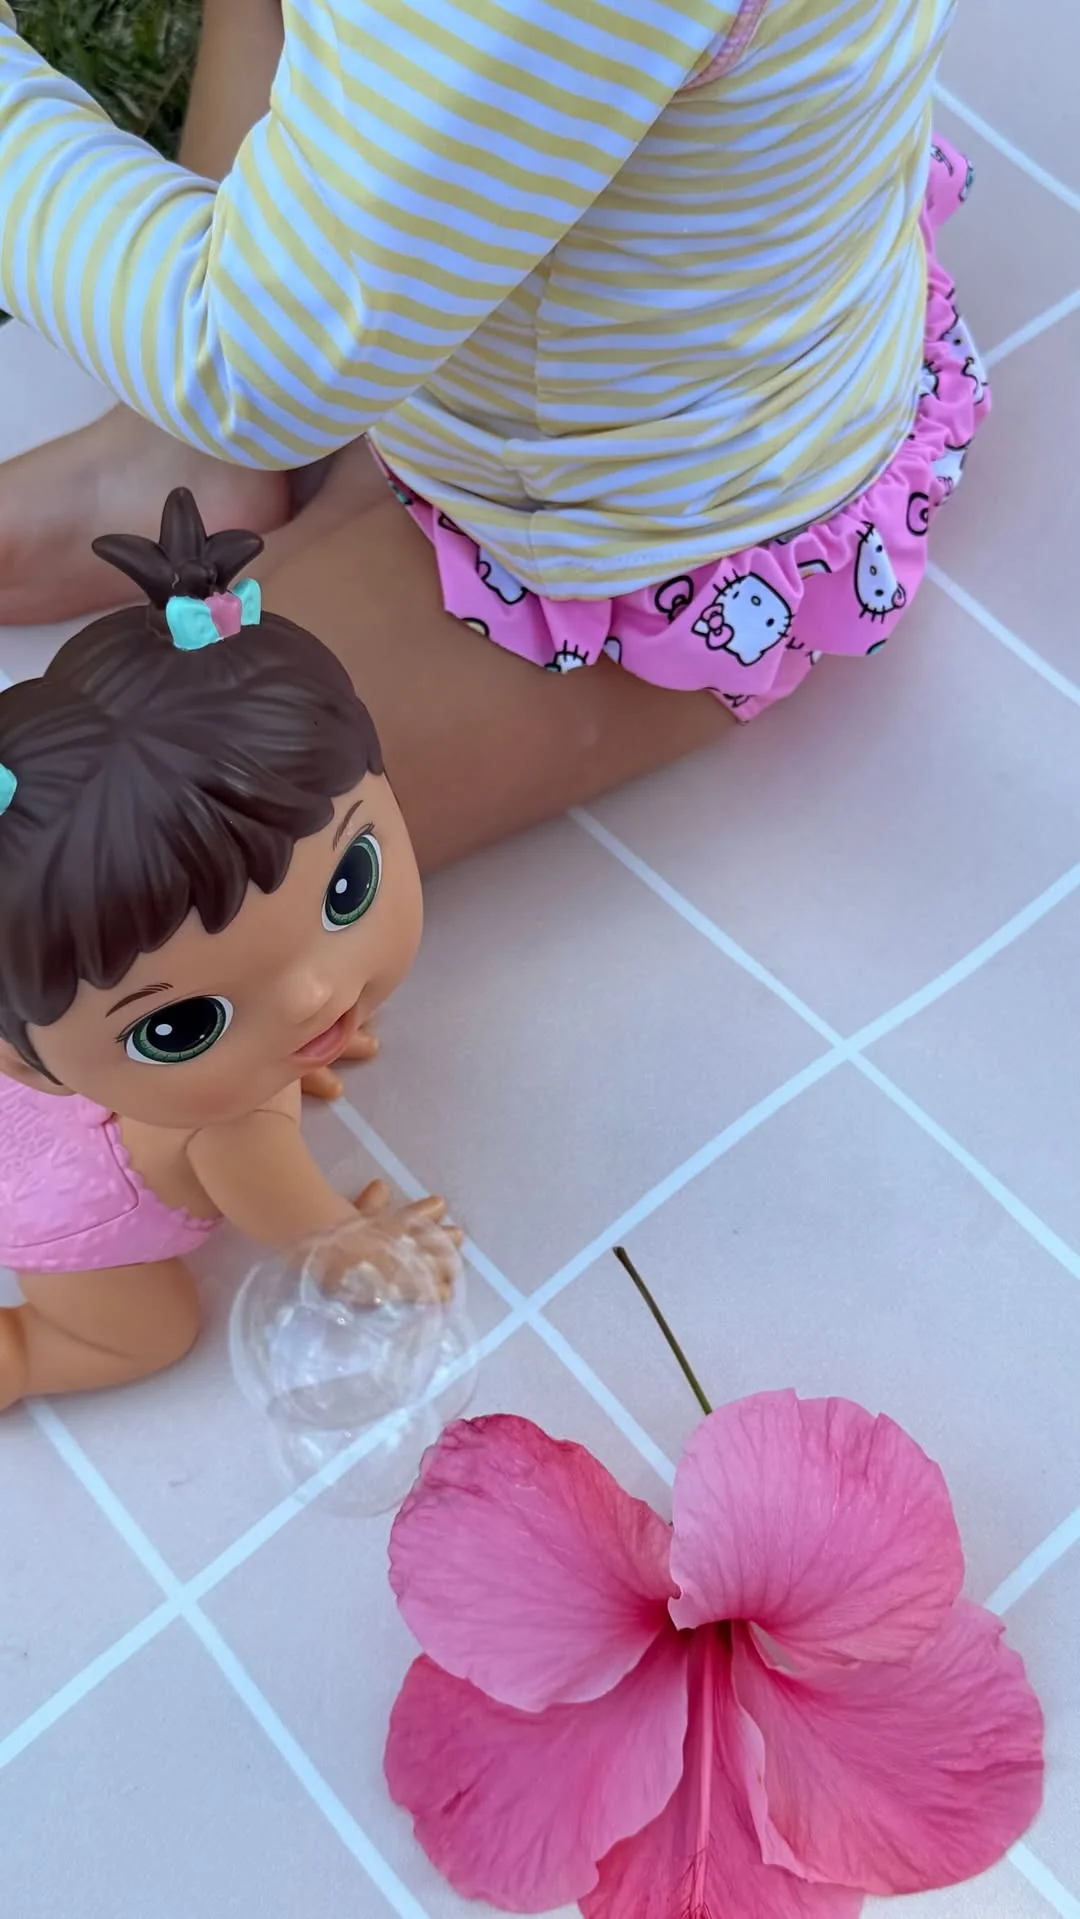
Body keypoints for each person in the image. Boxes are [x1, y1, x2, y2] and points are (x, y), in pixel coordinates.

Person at [0, 0, 985, 872]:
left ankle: (256, 443)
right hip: (523, 295)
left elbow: (251, 364)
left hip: (623, 532)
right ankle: (181, 456)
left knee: (62, 881)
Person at [0, 488, 458, 1409]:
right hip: (66, 1207)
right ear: (31, 1062)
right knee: (148, 1333)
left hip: (74, 1107)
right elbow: (313, 1237)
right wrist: (371, 1251)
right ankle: (22, 1355)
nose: (311, 994)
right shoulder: (235, 1131)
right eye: (180, 1025)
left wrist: (276, 1047)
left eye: (348, 884)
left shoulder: (228, 1061)